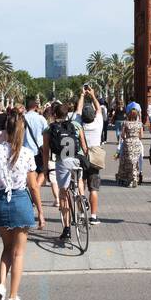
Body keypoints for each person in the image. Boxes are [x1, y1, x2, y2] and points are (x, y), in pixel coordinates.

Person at [0, 111, 44, 300]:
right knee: (19, 253)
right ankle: (13, 296)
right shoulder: (27, 153)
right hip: (20, 201)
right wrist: (41, 211)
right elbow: (34, 186)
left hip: (0, 200)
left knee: (6, 248)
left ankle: (1, 284)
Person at [43, 102, 86, 244]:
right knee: (78, 179)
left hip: (62, 162)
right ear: (67, 113)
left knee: (63, 193)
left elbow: (45, 152)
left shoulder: (50, 129)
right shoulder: (75, 126)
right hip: (76, 160)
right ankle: (82, 198)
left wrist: (45, 169)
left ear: (54, 114)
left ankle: (67, 229)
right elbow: (84, 146)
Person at [72, 85, 105, 224]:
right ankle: (93, 216)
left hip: (81, 157)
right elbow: (98, 109)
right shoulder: (98, 123)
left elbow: (78, 110)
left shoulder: (78, 123)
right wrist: (93, 95)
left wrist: (82, 95)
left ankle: (80, 214)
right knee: (93, 188)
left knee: (80, 184)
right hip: (95, 158)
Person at [21, 95, 49, 191]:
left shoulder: (22, 118)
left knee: (29, 173)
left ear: (26, 107)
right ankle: (36, 188)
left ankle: (33, 189)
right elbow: (46, 134)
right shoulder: (41, 119)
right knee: (42, 172)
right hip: (38, 150)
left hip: (25, 150)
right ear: (36, 107)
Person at [116, 106, 144, 187]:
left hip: (128, 143)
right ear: (137, 116)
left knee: (127, 161)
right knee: (135, 161)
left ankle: (129, 179)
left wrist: (127, 138)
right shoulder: (140, 124)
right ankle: (135, 178)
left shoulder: (125, 123)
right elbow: (141, 136)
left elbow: (122, 134)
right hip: (136, 143)